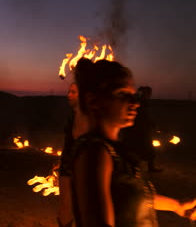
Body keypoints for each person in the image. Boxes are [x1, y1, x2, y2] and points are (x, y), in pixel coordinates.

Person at [70, 58, 195, 227]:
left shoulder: (114, 149)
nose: (135, 103)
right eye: (123, 94)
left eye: (133, 95)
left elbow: (131, 194)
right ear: (94, 102)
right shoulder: (95, 153)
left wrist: (177, 206)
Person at [57, 83, 89, 227]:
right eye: (69, 91)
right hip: (68, 165)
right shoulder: (74, 115)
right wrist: (61, 161)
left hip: (78, 168)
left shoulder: (85, 116)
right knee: (66, 205)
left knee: (74, 206)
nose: (69, 95)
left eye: (73, 92)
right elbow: (69, 143)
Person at [121, 86, 162, 172]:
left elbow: (144, 116)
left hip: (140, 129)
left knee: (144, 148)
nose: (149, 95)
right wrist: (152, 124)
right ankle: (131, 169)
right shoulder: (139, 102)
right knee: (135, 148)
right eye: (147, 93)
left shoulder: (142, 101)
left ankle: (148, 167)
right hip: (136, 129)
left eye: (149, 93)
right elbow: (142, 116)